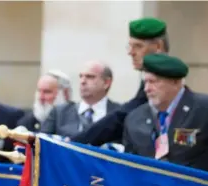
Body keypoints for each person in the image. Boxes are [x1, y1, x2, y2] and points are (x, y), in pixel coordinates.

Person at [71, 17, 168, 145]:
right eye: (130, 46)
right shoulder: (148, 78)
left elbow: (125, 115)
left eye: (138, 46)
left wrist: (78, 141)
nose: (131, 53)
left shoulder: (163, 80)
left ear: (158, 47)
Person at [123, 53, 208, 171]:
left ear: (175, 82)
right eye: (145, 82)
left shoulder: (203, 109)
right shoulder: (135, 119)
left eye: (153, 82)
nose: (147, 89)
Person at [40, 61, 120, 138]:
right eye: (81, 76)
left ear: (106, 83)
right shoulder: (59, 113)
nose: (82, 81)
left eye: (90, 77)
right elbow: (42, 145)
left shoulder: (120, 114)